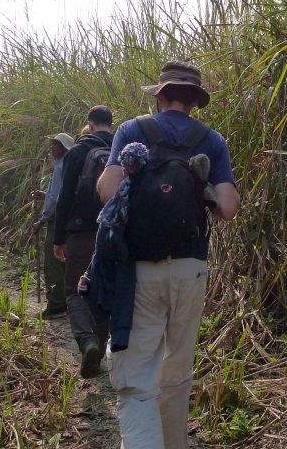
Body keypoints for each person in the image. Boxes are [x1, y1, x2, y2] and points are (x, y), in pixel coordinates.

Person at [96, 61, 239, 449]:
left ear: (159, 95)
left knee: (138, 377)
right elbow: (228, 207)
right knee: (176, 373)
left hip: (141, 269)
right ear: (195, 100)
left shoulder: (132, 130)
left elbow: (107, 190)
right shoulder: (212, 140)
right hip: (191, 266)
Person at [53, 105, 114, 377]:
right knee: (103, 292)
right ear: (111, 124)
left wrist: (58, 238)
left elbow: (65, 197)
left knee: (73, 291)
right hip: (113, 233)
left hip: (80, 232)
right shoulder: (121, 148)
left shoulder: (77, 151)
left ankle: (87, 341)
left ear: (89, 125)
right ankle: (99, 352)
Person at [29, 131, 74, 318]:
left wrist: (42, 220)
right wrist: (45, 195)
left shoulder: (61, 165)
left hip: (57, 220)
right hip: (71, 219)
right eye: (53, 144)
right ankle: (68, 302)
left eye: (57, 145)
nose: (53, 148)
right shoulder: (72, 165)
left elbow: (55, 200)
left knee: (53, 261)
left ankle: (56, 305)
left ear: (64, 148)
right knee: (66, 260)